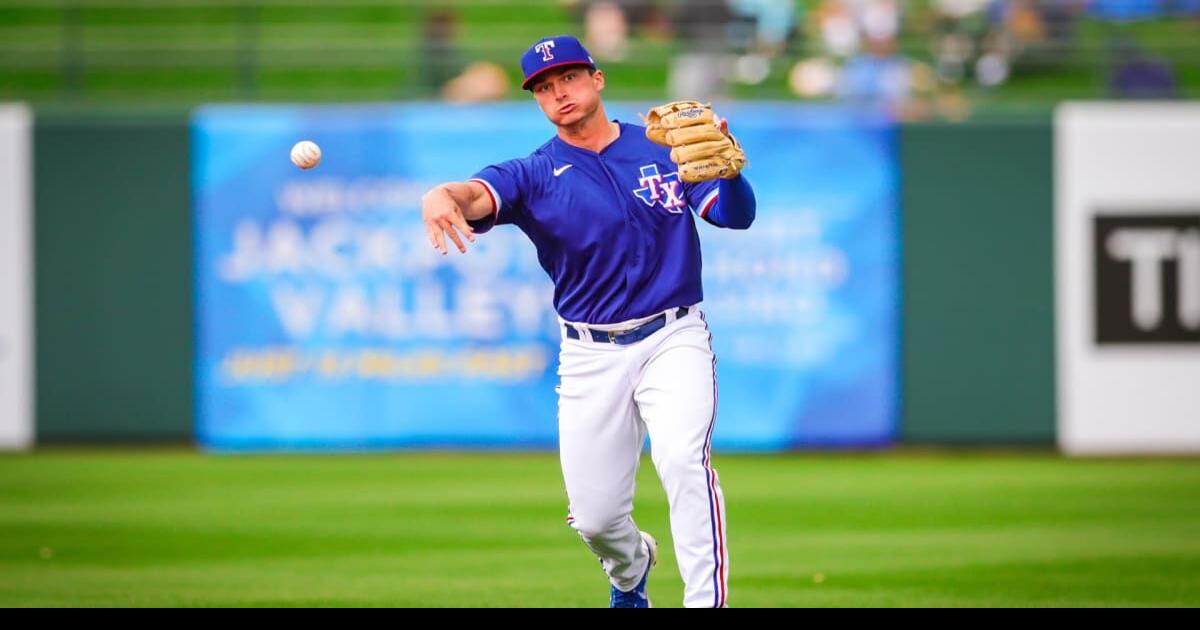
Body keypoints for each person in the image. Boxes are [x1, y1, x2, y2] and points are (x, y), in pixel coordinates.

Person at [418, 35, 756, 608]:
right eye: (544, 88)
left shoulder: (661, 149)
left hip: (673, 335)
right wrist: (440, 194)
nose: (559, 93)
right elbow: (475, 195)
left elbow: (734, 217)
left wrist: (730, 172)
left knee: (682, 461)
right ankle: (632, 571)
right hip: (589, 353)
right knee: (596, 518)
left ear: (596, 80)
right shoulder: (533, 172)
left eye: (568, 78)